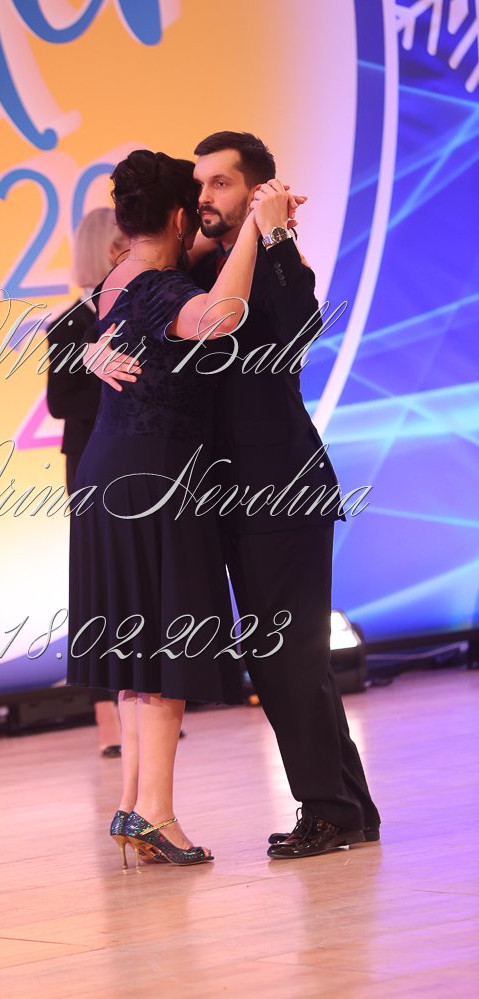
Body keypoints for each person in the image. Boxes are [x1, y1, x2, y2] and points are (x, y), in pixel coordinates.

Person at [94, 132, 381, 860]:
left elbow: (297, 329)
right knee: (282, 660)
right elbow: (107, 304)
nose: (203, 196)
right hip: (217, 498)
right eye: (199, 184)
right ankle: (349, 807)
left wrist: (275, 234)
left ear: (255, 192)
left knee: (288, 659)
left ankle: (330, 810)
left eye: (220, 183)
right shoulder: (190, 269)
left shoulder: (278, 260)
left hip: (279, 491)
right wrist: (89, 349)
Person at [65, 149, 266, 867]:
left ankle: (133, 805)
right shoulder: (158, 286)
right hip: (154, 479)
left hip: (107, 474)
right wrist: (255, 227)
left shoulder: (116, 279)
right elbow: (221, 317)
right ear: (181, 217)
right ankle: (157, 812)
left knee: (135, 651)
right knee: (162, 647)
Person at [47, 209, 128, 757]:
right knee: (100, 589)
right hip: (92, 463)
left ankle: (147, 701)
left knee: (138, 583)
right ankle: (107, 719)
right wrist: (119, 386)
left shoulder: (140, 310)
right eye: (122, 241)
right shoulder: (72, 323)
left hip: (136, 458)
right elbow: (61, 402)